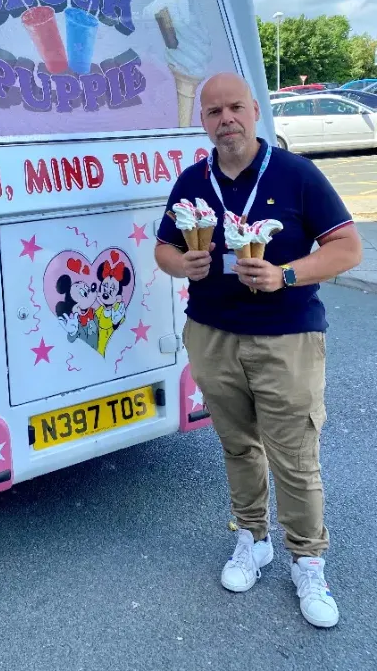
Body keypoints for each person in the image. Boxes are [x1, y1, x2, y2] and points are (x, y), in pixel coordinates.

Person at [155, 72, 362, 629]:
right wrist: (182, 263)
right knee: (238, 445)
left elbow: (347, 248)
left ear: (254, 112)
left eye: (236, 108)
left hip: (287, 335)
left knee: (295, 455)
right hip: (212, 332)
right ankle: (252, 538)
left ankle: (308, 559)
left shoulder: (297, 175)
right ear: (203, 120)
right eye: (214, 111)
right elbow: (163, 248)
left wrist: (286, 274)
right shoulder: (192, 181)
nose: (226, 120)